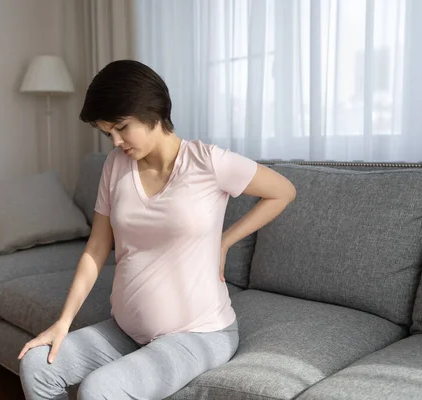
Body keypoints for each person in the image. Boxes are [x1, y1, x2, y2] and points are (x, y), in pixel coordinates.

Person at [18, 60, 296, 400]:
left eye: (122, 127)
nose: (116, 141)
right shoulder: (115, 166)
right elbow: (96, 248)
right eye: (108, 133)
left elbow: (283, 191)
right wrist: (62, 322)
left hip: (200, 334)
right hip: (127, 330)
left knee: (98, 390)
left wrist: (225, 242)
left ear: (153, 111)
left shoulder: (208, 162)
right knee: (37, 365)